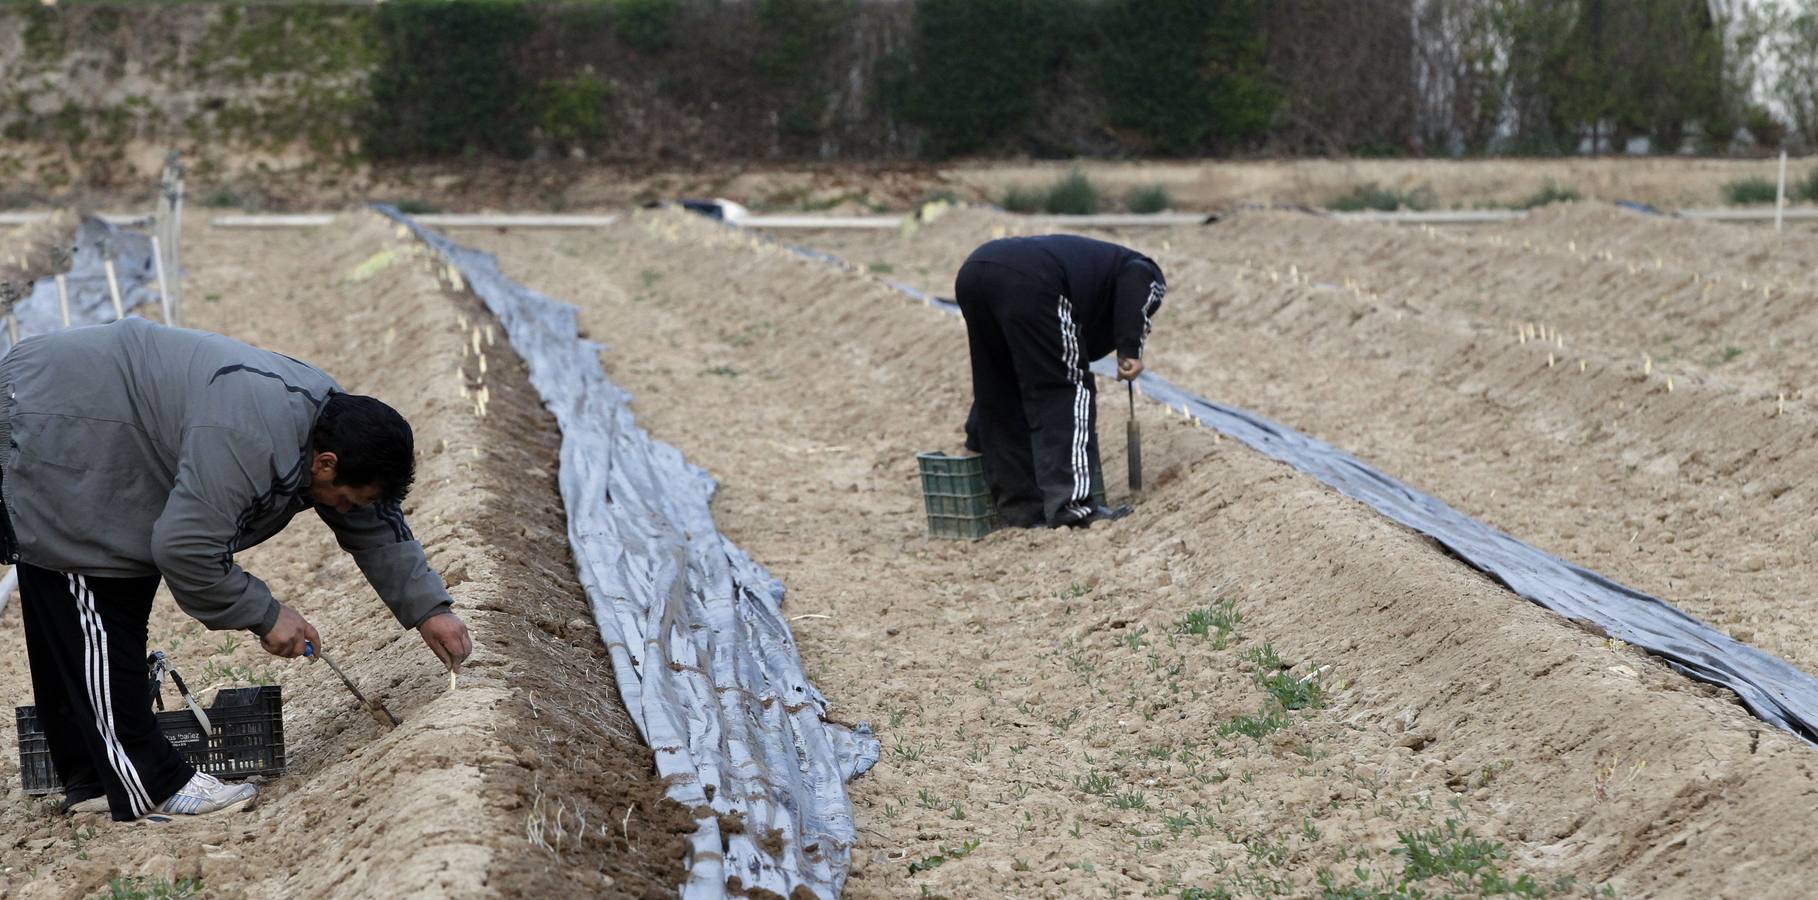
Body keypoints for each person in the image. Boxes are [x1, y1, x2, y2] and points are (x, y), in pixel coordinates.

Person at [1, 317, 473, 822]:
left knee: (88, 605)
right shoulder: (250, 440)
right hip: (58, 419)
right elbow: (186, 549)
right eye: (347, 498)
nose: (348, 509)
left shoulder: (331, 422)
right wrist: (266, 614)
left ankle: (92, 777)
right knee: (95, 590)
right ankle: (152, 783)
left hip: (85, 405)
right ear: (327, 464)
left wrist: (430, 609)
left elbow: (373, 519)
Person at [956, 234, 1165, 528]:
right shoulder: (1140, 267)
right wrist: (1130, 347)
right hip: (1033, 279)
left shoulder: (1092, 275)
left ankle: (1022, 510)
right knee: (1067, 388)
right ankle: (1074, 507)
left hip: (974, 272)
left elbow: (991, 397)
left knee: (1000, 385)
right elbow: (1140, 278)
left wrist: (975, 438)